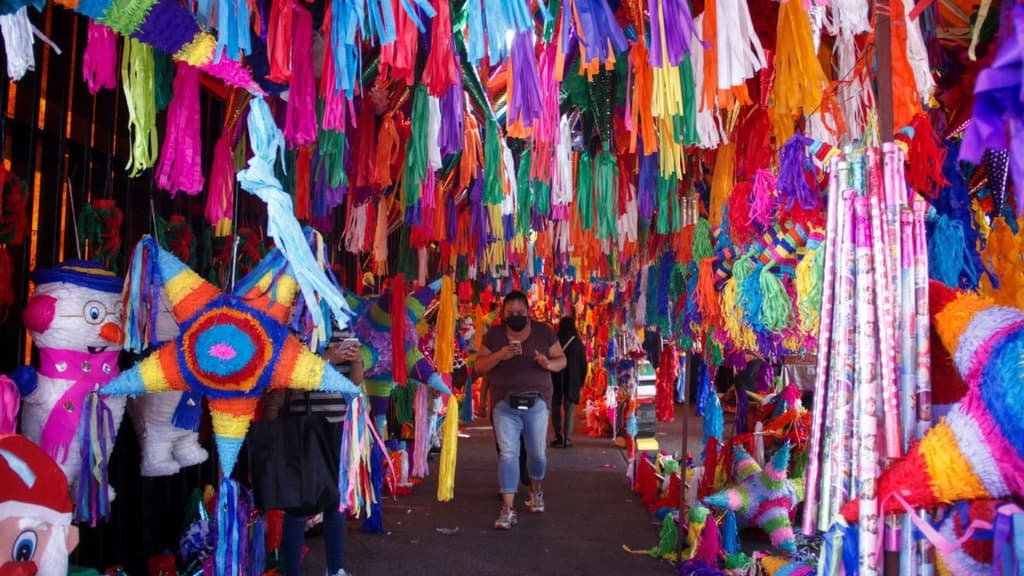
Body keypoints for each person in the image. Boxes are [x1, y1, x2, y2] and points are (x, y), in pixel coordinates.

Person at [263, 324, 363, 576]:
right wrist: (326, 359)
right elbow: (289, 380)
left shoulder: (344, 329)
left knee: (335, 500)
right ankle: (292, 571)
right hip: (304, 428)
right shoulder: (297, 330)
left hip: (338, 425)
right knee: (298, 503)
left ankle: (336, 568)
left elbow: (354, 383)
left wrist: (357, 361)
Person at [475, 291, 566, 530]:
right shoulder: (494, 335)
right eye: (510, 314)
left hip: (536, 402)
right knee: (508, 453)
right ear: (503, 314)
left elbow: (561, 360)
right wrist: (500, 355)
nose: (515, 317)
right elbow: (479, 365)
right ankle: (508, 508)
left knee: (537, 453)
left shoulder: (543, 332)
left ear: (528, 312)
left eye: (520, 313)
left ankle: (536, 489)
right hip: (504, 404)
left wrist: (547, 363)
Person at [551, 317, 589, 448]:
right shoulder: (578, 343)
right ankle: (567, 439)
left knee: (555, 407)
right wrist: (581, 381)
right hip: (572, 380)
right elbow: (583, 364)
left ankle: (558, 436)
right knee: (569, 409)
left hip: (556, 378)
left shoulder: (555, 341)